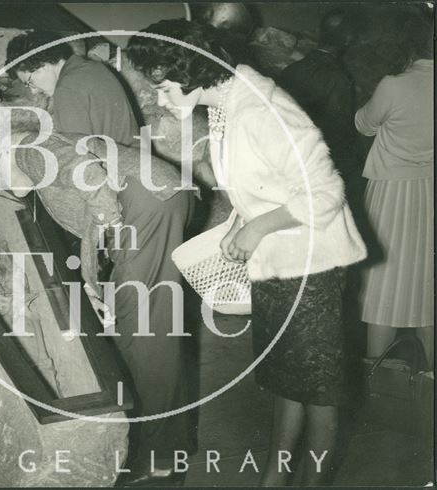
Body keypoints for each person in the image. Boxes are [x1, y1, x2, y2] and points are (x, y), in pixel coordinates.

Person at [127, 19, 367, 485]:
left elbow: (326, 191)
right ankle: (274, 480)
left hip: (312, 263)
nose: (158, 97)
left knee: (319, 391)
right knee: (285, 379)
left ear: (192, 70)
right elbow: (246, 173)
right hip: (280, 263)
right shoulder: (226, 102)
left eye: (162, 85)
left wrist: (257, 227)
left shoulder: (262, 109)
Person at [4, 129, 197, 486]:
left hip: (146, 205)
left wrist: (113, 227)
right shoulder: (46, 144)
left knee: (144, 336)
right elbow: (91, 224)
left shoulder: (27, 148)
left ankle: (161, 460)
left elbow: (91, 181)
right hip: (157, 199)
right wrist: (94, 285)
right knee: (149, 328)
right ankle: (168, 447)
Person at [355, 9, 434, 366]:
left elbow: (363, 124)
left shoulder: (394, 84)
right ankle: (429, 386)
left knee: (383, 289)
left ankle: (379, 387)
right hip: (429, 193)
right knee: (426, 289)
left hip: (389, 194)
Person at [278, 9, 363, 204]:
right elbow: (341, 131)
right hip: (320, 164)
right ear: (348, 40)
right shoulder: (338, 78)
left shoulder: (292, 69)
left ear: (320, 33)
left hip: (291, 158)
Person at [6, 31, 139, 146]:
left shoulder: (67, 88)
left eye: (29, 82)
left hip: (120, 170)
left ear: (43, 65)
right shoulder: (93, 67)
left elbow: (75, 154)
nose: (33, 90)